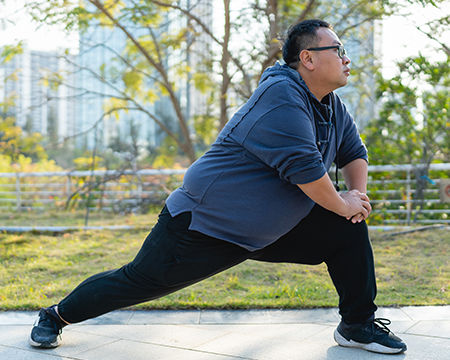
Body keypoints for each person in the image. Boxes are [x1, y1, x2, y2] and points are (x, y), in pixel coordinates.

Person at [30, 19, 407, 355]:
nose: (346, 58)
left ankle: (357, 324)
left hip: (271, 227)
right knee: (138, 281)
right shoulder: (281, 97)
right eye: (337, 50)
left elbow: (353, 151)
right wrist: (341, 202)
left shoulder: (330, 105)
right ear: (308, 59)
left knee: (347, 229)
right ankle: (55, 316)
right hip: (206, 223)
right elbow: (306, 169)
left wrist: (356, 201)